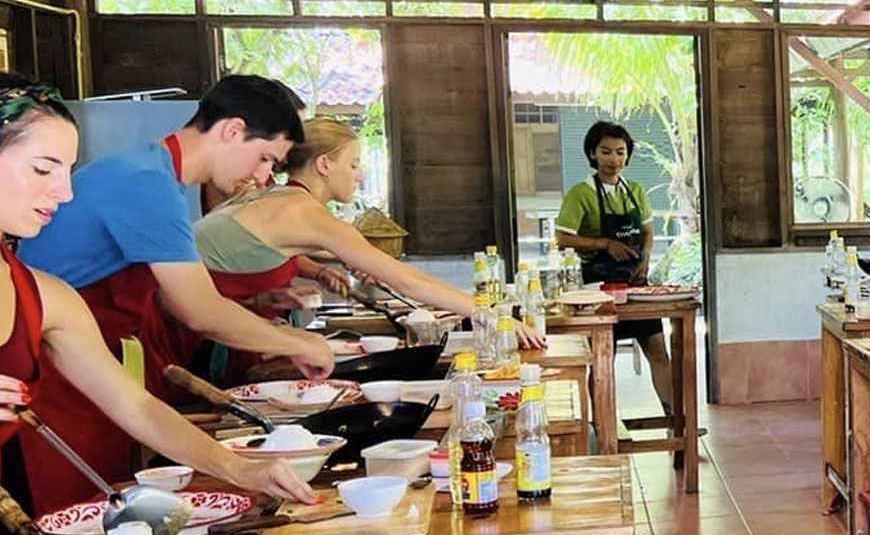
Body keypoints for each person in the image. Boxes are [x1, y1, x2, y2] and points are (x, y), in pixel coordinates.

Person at [18, 74, 334, 510]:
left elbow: (166, 307)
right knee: (79, 515)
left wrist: (257, 308)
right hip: (53, 380)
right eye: (265, 158)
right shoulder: (145, 181)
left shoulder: (152, 173)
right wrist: (298, 342)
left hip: (93, 366)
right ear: (232, 130)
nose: (263, 177)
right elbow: (198, 310)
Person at [189, 119, 540, 373]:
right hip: (187, 336)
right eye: (354, 164)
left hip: (198, 327)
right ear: (324, 165)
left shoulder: (276, 198)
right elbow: (409, 282)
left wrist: (343, 261)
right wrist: (493, 317)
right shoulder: (306, 212)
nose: (359, 175)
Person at [554, 120, 675, 415]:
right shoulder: (580, 193)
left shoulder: (635, 191)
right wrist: (604, 244)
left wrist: (645, 260)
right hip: (598, 286)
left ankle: (676, 420)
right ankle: (604, 427)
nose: (613, 159)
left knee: (658, 351)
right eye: (606, 152)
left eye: (620, 152)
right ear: (592, 153)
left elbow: (647, 233)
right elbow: (562, 239)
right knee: (602, 359)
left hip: (636, 285)